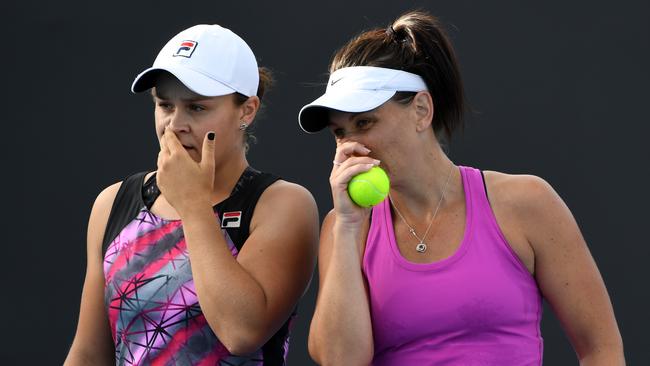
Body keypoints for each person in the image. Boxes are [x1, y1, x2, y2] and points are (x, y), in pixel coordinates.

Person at [300, 10, 624, 366]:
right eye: (340, 132)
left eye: (365, 122)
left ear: (421, 110)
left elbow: (601, 350)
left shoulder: (527, 203)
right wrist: (348, 229)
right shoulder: (342, 229)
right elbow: (339, 360)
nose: (351, 146)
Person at [65, 24, 318, 365]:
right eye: (165, 105)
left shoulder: (282, 204)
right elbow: (89, 353)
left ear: (247, 110)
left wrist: (194, 204)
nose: (174, 125)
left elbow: (241, 331)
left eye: (197, 108)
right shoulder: (113, 202)